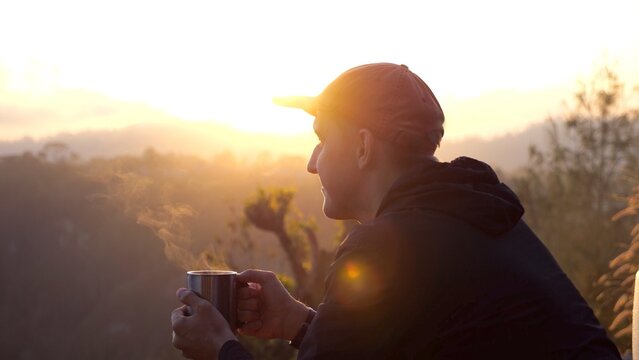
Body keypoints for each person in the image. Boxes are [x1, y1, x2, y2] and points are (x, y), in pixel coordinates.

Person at [171, 63, 621, 359]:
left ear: (364, 147)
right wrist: (298, 322)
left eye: (323, 139)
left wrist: (220, 349)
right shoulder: (478, 215)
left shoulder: (389, 246)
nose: (312, 162)